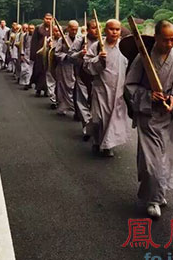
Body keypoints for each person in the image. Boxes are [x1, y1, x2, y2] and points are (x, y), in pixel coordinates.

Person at [124, 20, 173, 218]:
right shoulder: (142, 59)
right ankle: (154, 200)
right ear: (156, 37)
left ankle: (158, 193)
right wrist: (148, 96)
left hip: (170, 117)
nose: (170, 44)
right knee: (152, 161)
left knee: (166, 159)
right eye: (166, 40)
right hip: (148, 117)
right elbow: (129, 86)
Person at [83, 19, 131, 157]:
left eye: (117, 29)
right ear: (105, 30)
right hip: (101, 89)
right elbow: (86, 66)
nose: (114, 32)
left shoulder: (125, 47)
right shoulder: (98, 46)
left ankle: (108, 145)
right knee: (98, 118)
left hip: (119, 90)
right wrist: (98, 59)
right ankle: (97, 141)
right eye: (111, 29)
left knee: (113, 119)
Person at [67, 19, 98, 139]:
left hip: (97, 77)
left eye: (98, 27)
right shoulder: (81, 40)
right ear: (88, 29)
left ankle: (96, 127)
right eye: (94, 28)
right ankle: (87, 126)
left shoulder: (103, 41)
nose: (96, 30)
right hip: (82, 74)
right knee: (82, 102)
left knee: (96, 103)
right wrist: (80, 53)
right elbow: (70, 56)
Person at [55, 20, 79, 115]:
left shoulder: (80, 39)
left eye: (76, 30)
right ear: (68, 29)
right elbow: (57, 53)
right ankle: (63, 107)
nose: (74, 31)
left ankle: (76, 110)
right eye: (72, 29)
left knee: (75, 88)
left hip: (75, 67)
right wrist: (66, 56)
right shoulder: (62, 40)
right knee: (63, 88)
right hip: (64, 67)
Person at [30, 13, 53, 96]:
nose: (48, 20)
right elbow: (34, 42)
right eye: (47, 18)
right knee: (39, 71)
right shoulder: (38, 28)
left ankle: (47, 90)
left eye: (50, 19)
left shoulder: (53, 29)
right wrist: (33, 55)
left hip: (49, 54)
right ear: (44, 19)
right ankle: (38, 89)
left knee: (48, 72)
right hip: (39, 53)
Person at [46, 25, 61, 108]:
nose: (57, 32)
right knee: (51, 82)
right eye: (55, 31)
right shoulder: (49, 39)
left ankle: (60, 100)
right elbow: (45, 51)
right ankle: (53, 99)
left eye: (59, 31)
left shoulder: (64, 40)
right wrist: (49, 46)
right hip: (51, 64)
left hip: (61, 65)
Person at [19, 24, 34, 89]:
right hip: (26, 54)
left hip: (33, 56)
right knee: (25, 70)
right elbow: (22, 45)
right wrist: (22, 54)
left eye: (32, 28)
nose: (31, 30)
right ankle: (26, 83)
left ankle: (29, 83)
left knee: (31, 71)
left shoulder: (36, 37)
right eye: (30, 28)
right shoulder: (25, 36)